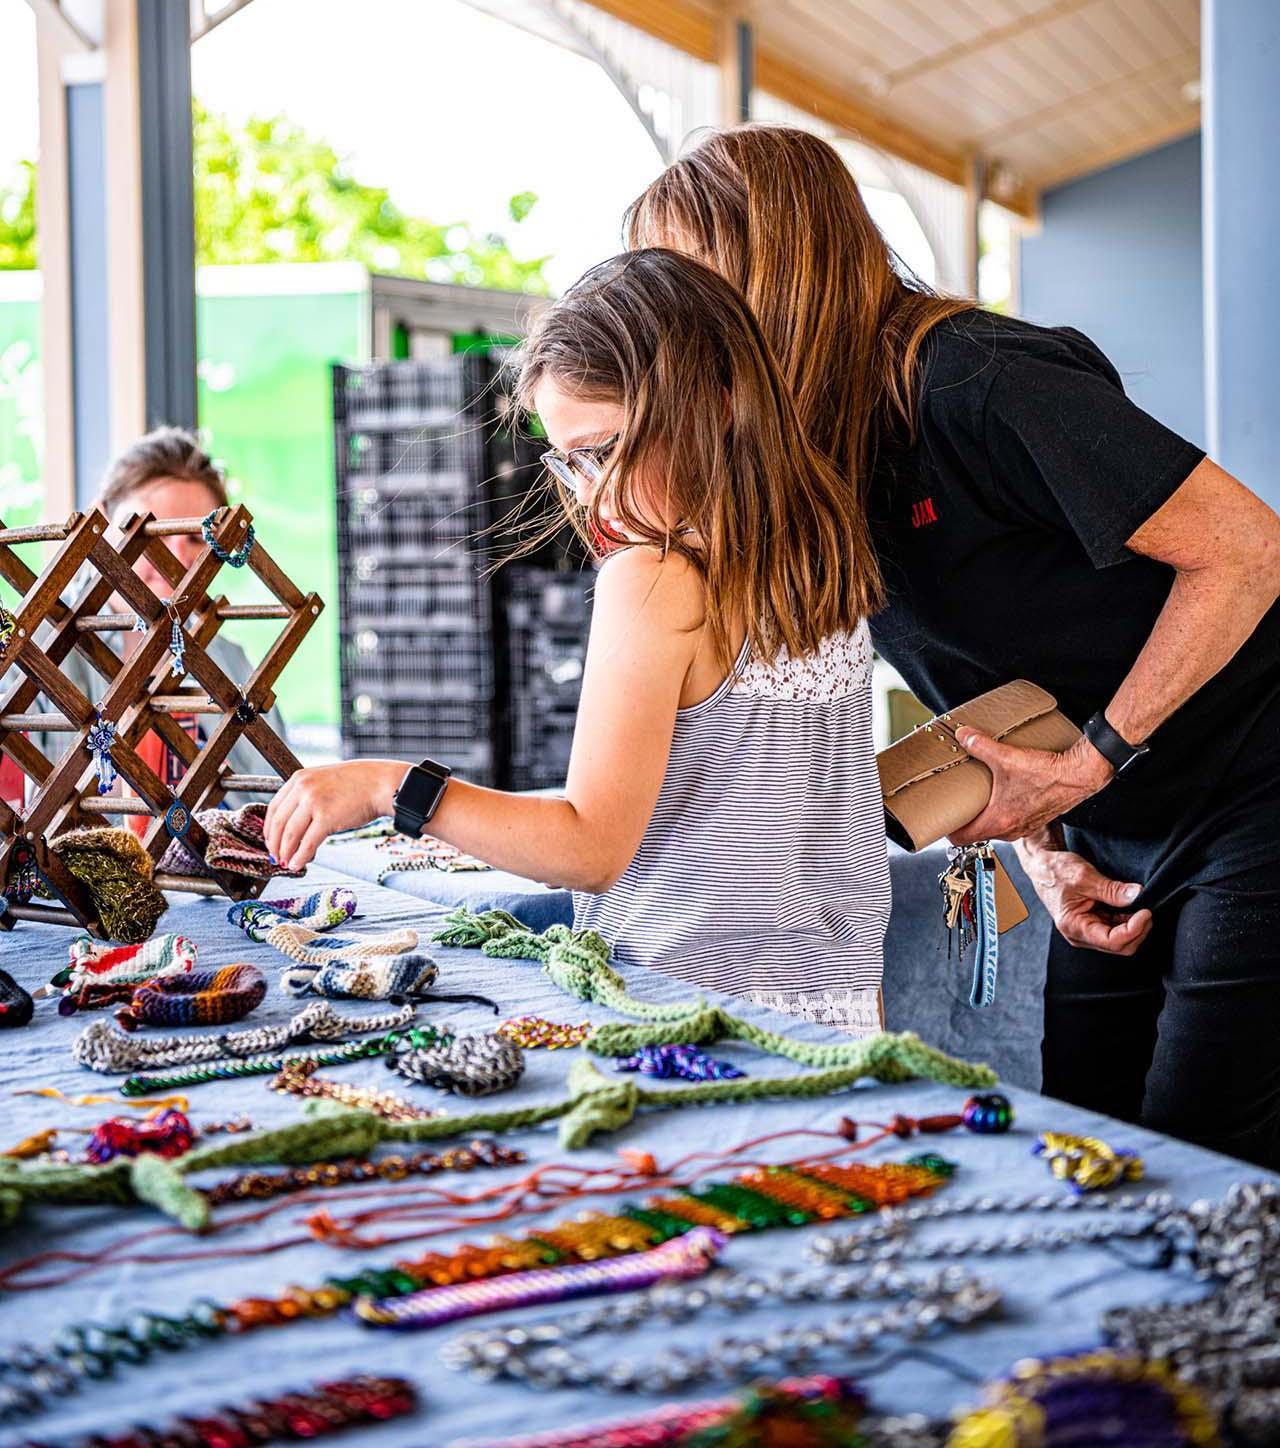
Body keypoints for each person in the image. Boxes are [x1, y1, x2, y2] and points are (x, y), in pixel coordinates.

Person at [626, 124, 1280, 1168]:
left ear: (776, 266)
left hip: (1253, 786)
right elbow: (994, 678)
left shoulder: (973, 377)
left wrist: (1083, 764)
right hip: (1111, 830)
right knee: (1090, 1135)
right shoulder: (821, 447)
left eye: (688, 283)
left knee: (1198, 1151)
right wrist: (1045, 847)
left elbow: (1248, 552)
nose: (672, 322)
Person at [265, 248, 892, 1034]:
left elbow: (590, 845)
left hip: (684, 1017)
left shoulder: (656, 576)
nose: (592, 491)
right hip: (840, 1014)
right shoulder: (823, 545)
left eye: (604, 449)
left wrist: (390, 787)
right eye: (568, 463)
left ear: (716, 400)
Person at [30, 427, 287, 812]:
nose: (178, 561)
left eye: (198, 539)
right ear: (102, 523)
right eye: (151, 532)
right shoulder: (40, 650)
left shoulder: (228, 663)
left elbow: (275, 802)